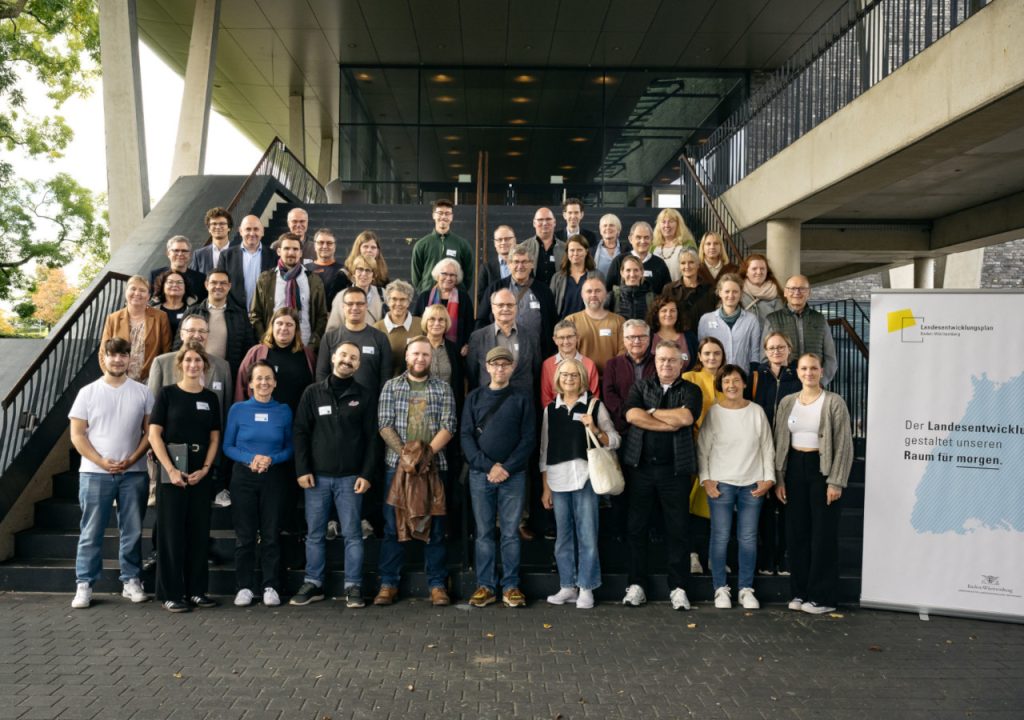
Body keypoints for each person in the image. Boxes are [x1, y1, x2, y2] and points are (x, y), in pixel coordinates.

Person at [290, 343, 379, 608]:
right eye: (344, 355)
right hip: (316, 478)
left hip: (351, 479)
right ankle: (313, 583)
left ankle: (353, 586)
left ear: (358, 365)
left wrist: (366, 473)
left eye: (354, 358)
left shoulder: (364, 395)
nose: (348, 361)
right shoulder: (313, 393)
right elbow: (301, 432)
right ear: (332, 358)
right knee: (315, 533)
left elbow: (372, 439)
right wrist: (302, 469)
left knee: (352, 534)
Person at [69, 338, 154, 609]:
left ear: (130, 358)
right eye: (112, 355)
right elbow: (77, 435)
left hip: (134, 473)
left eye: (123, 355)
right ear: (103, 358)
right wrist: (101, 461)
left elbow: (150, 433)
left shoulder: (142, 392)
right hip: (94, 473)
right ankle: (85, 584)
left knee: (131, 530)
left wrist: (131, 459)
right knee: (91, 531)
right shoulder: (87, 392)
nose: (118, 360)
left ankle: (131, 579)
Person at [375, 337, 458, 607]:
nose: (420, 359)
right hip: (397, 467)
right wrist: (407, 456)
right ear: (407, 357)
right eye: (415, 354)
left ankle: (436, 585)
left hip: (434, 467)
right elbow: (385, 424)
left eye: (425, 354)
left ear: (431, 358)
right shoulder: (391, 386)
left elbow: (449, 424)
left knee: (435, 527)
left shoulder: (443, 388)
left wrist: (425, 456)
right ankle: (389, 584)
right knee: (392, 527)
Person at [620, 342, 703, 610]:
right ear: (654, 363)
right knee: (635, 528)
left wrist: (652, 413)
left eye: (672, 361)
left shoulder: (691, 389)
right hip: (640, 468)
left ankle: (678, 587)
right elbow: (632, 415)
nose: (666, 365)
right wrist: (667, 423)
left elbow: (687, 418)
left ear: (682, 364)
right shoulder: (641, 387)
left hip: (675, 470)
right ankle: (636, 585)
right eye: (662, 360)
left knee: (677, 529)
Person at [774, 353, 853, 615]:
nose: (809, 373)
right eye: (804, 368)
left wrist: (836, 481)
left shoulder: (834, 402)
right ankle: (800, 592)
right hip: (795, 469)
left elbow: (843, 445)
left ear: (822, 371)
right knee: (797, 535)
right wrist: (780, 478)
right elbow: (779, 441)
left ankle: (823, 597)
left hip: (823, 471)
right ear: (797, 372)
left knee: (823, 536)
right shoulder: (787, 402)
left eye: (814, 368)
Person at [540, 357, 620, 610]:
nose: (569, 379)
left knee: (587, 535)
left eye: (574, 375)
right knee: (563, 537)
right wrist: (545, 487)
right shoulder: (550, 409)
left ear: (583, 379)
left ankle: (586, 587)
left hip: (587, 478)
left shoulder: (594, 406)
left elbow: (614, 439)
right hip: (558, 480)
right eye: (564, 375)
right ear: (557, 380)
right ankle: (567, 586)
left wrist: (594, 428)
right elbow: (544, 450)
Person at [148, 342, 222, 612]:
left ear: (205, 365)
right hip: (172, 472)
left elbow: (215, 438)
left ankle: (197, 591)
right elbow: (154, 435)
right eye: (188, 360)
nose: (193, 365)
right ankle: (171, 593)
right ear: (180, 364)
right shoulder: (167, 394)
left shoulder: (210, 398)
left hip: (200, 474)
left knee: (199, 533)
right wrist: (169, 469)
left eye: (198, 360)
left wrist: (205, 468)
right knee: (171, 535)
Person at [461, 346, 536, 609]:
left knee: (510, 533)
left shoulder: (522, 397)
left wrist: (506, 467)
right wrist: (488, 466)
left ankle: (511, 586)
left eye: (505, 365)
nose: (500, 369)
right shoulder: (474, 397)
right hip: (481, 474)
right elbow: (466, 436)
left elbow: (528, 438)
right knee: (483, 533)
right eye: (496, 365)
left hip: (513, 476)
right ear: (487, 367)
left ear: (512, 368)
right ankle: (486, 586)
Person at [697, 364, 775, 610]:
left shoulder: (756, 411)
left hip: (752, 483)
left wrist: (768, 478)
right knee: (720, 537)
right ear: (721, 385)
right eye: (726, 381)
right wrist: (706, 479)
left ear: (744, 384)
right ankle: (720, 588)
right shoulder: (714, 413)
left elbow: (766, 446)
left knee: (748, 538)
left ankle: (745, 589)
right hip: (721, 483)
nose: (731, 385)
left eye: (736, 381)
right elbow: (703, 448)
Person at [222, 361, 293, 608]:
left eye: (268, 378)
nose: (264, 383)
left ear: (275, 382)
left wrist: (271, 459)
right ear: (250, 383)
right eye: (258, 379)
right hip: (244, 477)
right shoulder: (238, 410)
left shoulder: (284, 410)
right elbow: (227, 446)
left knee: (271, 533)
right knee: (245, 535)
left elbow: (290, 447)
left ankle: (270, 585)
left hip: (273, 477)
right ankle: (244, 586)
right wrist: (250, 459)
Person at [148, 314, 233, 510]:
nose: (197, 335)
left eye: (202, 331)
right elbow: (152, 412)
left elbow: (224, 409)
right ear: (182, 333)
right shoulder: (162, 363)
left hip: (206, 450)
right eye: (191, 330)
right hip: (171, 452)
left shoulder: (222, 366)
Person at [749, 332, 800, 576]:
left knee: (788, 504)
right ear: (765, 351)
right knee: (765, 506)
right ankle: (767, 558)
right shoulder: (757, 376)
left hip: (791, 448)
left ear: (789, 349)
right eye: (771, 348)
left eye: (781, 347)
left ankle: (787, 557)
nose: (776, 351)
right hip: (761, 447)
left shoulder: (798, 376)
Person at [250, 232, 328, 351]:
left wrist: (314, 343)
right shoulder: (266, 279)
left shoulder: (313, 280)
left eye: (295, 249)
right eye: (286, 248)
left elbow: (322, 316)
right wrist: (264, 339)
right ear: (279, 251)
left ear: (301, 253)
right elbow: (255, 314)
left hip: (305, 344)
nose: (291, 253)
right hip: (273, 345)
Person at [476, 245, 557, 357]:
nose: (520, 266)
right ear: (509, 264)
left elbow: (552, 323)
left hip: (535, 353)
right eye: (516, 262)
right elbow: (482, 320)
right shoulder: (495, 288)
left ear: (532, 264)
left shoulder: (544, 291)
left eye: (524, 262)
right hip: (500, 354)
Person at [184, 269, 257, 385]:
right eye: (214, 282)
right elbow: (179, 344)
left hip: (226, 375)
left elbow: (248, 347)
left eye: (223, 283)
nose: (218, 286)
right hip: (193, 373)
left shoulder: (240, 314)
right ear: (206, 285)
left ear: (229, 286)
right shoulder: (192, 312)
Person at [235, 308, 316, 412]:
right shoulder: (256, 353)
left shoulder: (308, 355)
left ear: (296, 329)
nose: (283, 328)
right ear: (272, 326)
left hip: (299, 420)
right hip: (263, 419)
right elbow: (241, 387)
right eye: (279, 323)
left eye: (289, 324)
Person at [762, 275, 838, 385]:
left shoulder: (819, 319)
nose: (797, 292)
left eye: (802, 288)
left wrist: (822, 382)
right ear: (785, 293)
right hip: (784, 385)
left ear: (809, 293)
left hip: (814, 385)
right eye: (792, 289)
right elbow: (765, 358)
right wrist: (777, 382)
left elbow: (830, 358)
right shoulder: (772, 319)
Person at [316, 287, 392, 392]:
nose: (355, 307)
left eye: (360, 304)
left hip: (369, 405)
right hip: (336, 403)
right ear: (343, 307)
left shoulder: (380, 338)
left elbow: (386, 377)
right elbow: (321, 374)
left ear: (366, 306)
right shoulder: (329, 338)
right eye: (350, 304)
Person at [466, 288, 541, 393]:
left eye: (510, 305)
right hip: (489, 402)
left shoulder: (531, 336)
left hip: (522, 402)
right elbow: (472, 375)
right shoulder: (477, 337)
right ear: (492, 308)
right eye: (500, 305)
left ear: (516, 307)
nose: (505, 309)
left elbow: (536, 371)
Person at [99, 275, 172, 382]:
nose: (137, 293)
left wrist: (159, 377)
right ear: (126, 292)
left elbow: (167, 350)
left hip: (150, 379)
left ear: (148, 296)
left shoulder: (161, 317)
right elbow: (103, 352)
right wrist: (112, 377)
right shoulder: (113, 318)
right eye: (133, 289)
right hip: (119, 379)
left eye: (142, 290)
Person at [697, 273, 762, 368]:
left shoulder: (751, 320)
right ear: (720, 292)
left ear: (741, 294)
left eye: (735, 291)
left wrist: (753, 375)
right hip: (713, 376)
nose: (731, 295)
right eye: (727, 291)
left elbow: (755, 352)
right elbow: (701, 350)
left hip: (742, 377)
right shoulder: (706, 319)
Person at [411, 258, 473, 355]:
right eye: (444, 274)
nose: (448, 278)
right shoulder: (424, 297)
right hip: (427, 351)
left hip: (457, 353)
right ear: (437, 276)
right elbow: (416, 323)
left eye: (452, 275)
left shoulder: (464, 298)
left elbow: (470, 326)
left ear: (457, 278)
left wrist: (467, 344)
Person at [410, 199, 473, 293]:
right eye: (440, 213)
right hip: (429, 297)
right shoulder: (421, 245)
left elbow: (468, 276)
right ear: (433, 215)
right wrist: (424, 292)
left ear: (452, 217)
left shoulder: (462, 245)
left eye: (447, 213)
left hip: (455, 298)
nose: (443, 216)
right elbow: (416, 277)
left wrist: (460, 291)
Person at [565, 278, 624, 375]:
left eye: (598, 291)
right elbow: (567, 352)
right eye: (589, 291)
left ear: (605, 294)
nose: (593, 295)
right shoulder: (571, 321)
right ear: (582, 295)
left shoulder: (619, 321)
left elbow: (623, 352)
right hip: (581, 378)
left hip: (612, 377)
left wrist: (611, 373)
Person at [218, 215, 277, 312]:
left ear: (262, 232)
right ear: (241, 231)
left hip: (264, 315)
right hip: (235, 314)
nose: (252, 233)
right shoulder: (226, 256)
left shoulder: (273, 256)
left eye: (256, 229)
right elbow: (222, 285)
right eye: (248, 229)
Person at [660, 247, 717, 342]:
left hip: (705, 340)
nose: (687, 266)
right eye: (683, 263)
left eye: (691, 262)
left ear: (698, 264)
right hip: (677, 340)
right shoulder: (669, 289)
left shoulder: (710, 289)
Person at [540, 319, 600, 408]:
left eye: (570, 337)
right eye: (561, 338)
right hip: (556, 414)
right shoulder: (547, 365)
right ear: (555, 340)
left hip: (584, 414)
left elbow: (594, 397)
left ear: (577, 337)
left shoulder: (589, 364)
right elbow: (546, 398)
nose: (566, 342)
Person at [420, 304, 466, 414]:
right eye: (432, 319)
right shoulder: (416, 347)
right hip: (420, 408)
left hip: (448, 409)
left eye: (441, 320)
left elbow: (459, 383)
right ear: (425, 322)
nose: (437, 323)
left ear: (446, 324)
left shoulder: (455, 350)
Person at [605, 221, 671, 295]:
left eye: (646, 237)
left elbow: (667, 293)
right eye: (638, 237)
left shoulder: (659, 264)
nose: (642, 241)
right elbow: (608, 290)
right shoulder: (619, 261)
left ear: (652, 240)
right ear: (630, 239)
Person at [550, 235, 602, 320]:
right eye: (572, 250)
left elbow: (603, 303)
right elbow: (550, 306)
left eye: (579, 250)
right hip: (563, 328)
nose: (575, 253)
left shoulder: (597, 276)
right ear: (567, 252)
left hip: (588, 327)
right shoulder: (557, 278)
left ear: (586, 251)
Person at [375, 279, 420, 377]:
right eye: (394, 299)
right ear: (387, 301)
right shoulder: (377, 328)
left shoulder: (420, 325)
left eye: (403, 299)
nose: (398, 303)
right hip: (386, 385)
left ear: (409, 302)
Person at [332, 252, 387, 328]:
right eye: (360, 269)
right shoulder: (341, 296)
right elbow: (333, 328)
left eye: (368, 270)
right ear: (353, 273)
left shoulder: (382, 294)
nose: (364, 274)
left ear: (374, 275)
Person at [149, 235, 207, 303]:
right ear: (168, 253)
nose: (180, 254)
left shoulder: (201, 278)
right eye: (176, 250)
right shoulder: (155, 275)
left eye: (184, 251)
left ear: (190, 255)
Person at [304, 228, 351, 309]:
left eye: (329, 243)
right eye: (321, 243)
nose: (325, 246)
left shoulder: (344, 271)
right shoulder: (304, 270)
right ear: (315, 246)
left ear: (334, 246)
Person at [523, 206, 565, 287]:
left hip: (557, 297)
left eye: (548, 219)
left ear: (554, 222)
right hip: (532, 297)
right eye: (540, 220)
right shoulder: (524, 247)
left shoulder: (565, 249)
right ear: (534, 223)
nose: (545, 223)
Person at [652, 208, 697, 281]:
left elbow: (694, 269)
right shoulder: (653, 246)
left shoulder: (687, 245)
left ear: (678, 224)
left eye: (671, 221)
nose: (667, 225)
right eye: (663, 222)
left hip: (680, 290)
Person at [739, 253, 784, 325]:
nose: (759, 272)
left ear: (767, 271)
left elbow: (780, 322)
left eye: (762, 268)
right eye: (754, 269)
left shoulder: (776, 292)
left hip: (769, 335)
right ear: (746, 272)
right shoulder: (737, 291)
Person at [476, 225, 516, 304]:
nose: (503, 242)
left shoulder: (525, 265)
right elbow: (481, 297)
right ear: (495, 243)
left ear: (514, 240)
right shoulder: (486, 269)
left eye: (507, 239)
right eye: (499, 240)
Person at [647, 295, 691, 367]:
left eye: (672, 310)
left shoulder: (689, 337)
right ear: (656, 314)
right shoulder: (648, 337)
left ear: (678, 313)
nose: (668, 314)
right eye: (664, 311)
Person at [150, 269, 195, 338]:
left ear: (185, 287)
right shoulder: (152, 308)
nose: (174, 285)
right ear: (163, 286)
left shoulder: (194, 309)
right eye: (170, 282)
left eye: (179, 282)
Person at [609, 254, 655, 321]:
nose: (632, 274)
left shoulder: (652, 298)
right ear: (622, 273)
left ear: (642, 272)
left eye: (636, 270)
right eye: (628, 270)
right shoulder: (612, 297)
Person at [190, 207, 234, 275]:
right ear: (209, 229)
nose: (218, 227)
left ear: (229, 228)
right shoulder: (199, 255)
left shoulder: (240, 252)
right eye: (214, 224)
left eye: (222, 223)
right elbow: (193, 280)